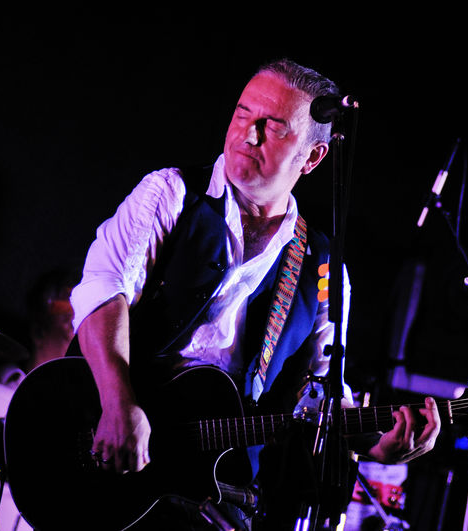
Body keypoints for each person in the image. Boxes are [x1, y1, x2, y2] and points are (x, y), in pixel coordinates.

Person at [70, 58, 440, 529]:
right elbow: (103, 289)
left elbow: (322, 389)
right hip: (108, 434)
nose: (249, 134)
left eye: (274, 127)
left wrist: (377, 443)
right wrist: (117, 402)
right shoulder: (170, 193)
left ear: (312, 157)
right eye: (243, 113)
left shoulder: (322, 266)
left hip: (215, 490)